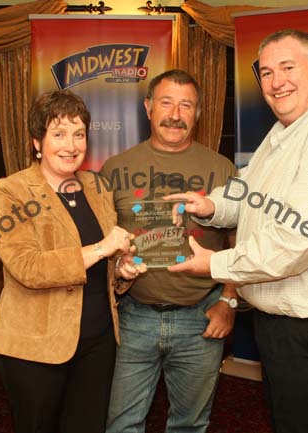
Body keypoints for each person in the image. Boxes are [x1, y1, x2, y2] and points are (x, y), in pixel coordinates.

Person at [166, 29, 308, 433]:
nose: (276, 82)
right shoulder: (289, 130)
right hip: (285, 325)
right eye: (267, 73)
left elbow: (296, 245)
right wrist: (211, 206)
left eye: (287, 68)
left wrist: (213, 263)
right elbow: (251, 190)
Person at [0, 90, 144, 433]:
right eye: (58, 134)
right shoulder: (12, 190)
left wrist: (121, 270)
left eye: (78, 134)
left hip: (98, 342)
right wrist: (102, 249)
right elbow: (28, 267)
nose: (70, 145)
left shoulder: (97, 186)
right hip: (35, 347)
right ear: (37, 142)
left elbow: (105, 267)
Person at [100, 69, 239, 433]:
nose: (175, 114)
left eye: (186, 105)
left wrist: (229, 302)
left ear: (197, 113)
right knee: (121, 424)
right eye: (166, 103)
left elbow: (240, 243)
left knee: (190, 425)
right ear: (148, 107)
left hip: (201, 317)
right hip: (134, 316)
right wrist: (119, 265)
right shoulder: (114, 170)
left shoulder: (223, 170)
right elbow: (102, 242)